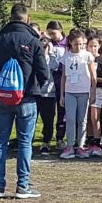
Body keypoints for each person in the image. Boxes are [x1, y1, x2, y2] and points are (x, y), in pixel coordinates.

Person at [0, 4, 48, 199]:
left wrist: (2, 86)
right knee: (25, 143)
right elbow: (44, 73)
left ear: (10, 18)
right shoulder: (32, 40)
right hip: (26, 98)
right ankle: (23, 185)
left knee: (1, 142)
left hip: (2, 99)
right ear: (27, 19)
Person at [59, 30, 97, 160]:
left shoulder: (87, 56)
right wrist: (62, 95)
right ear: (70, 43)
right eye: (76, 44)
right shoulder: (66, 56)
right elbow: (63, 77)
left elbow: (93, 76)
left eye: (81, 44)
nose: (79, 47)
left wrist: (93, 93)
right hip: (70, 92)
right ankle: (70, 146)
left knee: (82, 120)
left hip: (84, 91)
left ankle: (80, 146)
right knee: (70, 119)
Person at [46, 21, 67, 150]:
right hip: (50, 79)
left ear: (60, 30)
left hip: (64, 79)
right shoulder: (48, 44)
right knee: (49, 111)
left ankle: (60, 137)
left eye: (53, 33)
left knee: (62, 110)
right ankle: (47, 137)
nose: (52, 36)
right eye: (49, 34)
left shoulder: (68, 44)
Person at [37, 34, 59, 156]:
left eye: (46, 44)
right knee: (33, 119)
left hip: (49, 93)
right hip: (36, 92)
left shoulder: (51, 56)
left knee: (48, 119)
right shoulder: (36, 56)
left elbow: (55, 66)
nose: (44, 46)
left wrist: (50, 53)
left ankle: (46, 142)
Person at [85, 37, 102, 157]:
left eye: (95, 46)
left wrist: (95, 80)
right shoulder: (84, 58)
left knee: (95, 117)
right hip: (84, 90)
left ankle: (98, 144)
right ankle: (90, 143)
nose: (93, 48)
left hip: (97, 91)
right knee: (87, 119)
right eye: (91, 46)